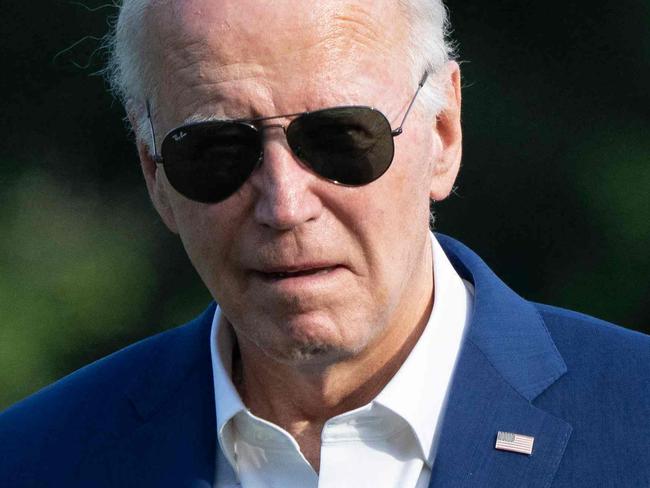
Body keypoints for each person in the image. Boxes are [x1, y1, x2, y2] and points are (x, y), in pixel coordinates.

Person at [1, 0, 648, 486]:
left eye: (340, 138)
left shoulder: (633, 424)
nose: (285, 206)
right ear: (155, 176)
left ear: (443, 133)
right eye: (217, 151)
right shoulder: (35, 460)